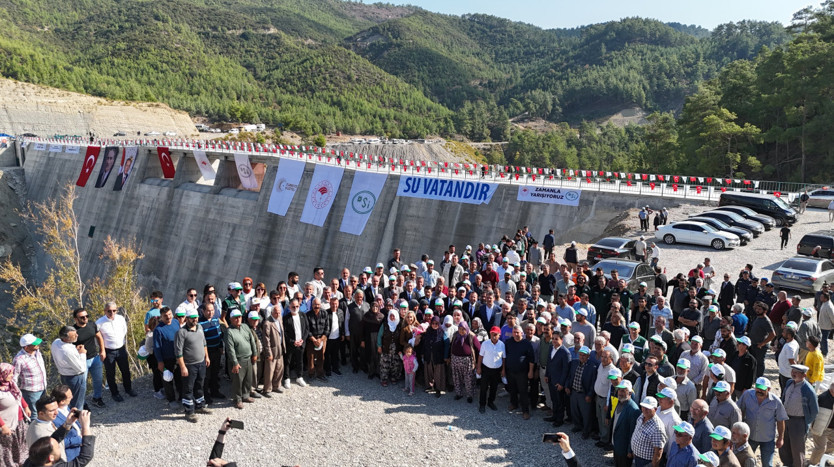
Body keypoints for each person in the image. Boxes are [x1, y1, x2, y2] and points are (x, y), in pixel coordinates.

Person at [737, 377, 786, 467]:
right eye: (758, 388)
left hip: (767, 439)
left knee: (767, 464)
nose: (759, 391)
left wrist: (780, 438)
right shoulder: (747, 395)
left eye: (762, 389)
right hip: (749, 437)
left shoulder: (776, 401)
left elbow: (780, 420)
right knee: (745, 462)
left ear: (769, 389)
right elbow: (740, 410)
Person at [779, 364, 819, 467]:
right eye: (793, 371)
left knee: (797, 449)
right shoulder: (789, 383)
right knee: (784, 446)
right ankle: (786, 464)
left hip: (798, 422)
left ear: (803, 375)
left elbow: (814, 410)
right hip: (785, 419)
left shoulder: (808, 390)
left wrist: (806, 423)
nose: (793, 373)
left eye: (796, 372)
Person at [95, 303, 137, 403]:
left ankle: (128, 389)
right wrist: (102, 350)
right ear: (105, 311)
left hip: (121, 349)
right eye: (109, 311)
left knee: (125, 370)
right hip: (109, 351)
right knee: (110, 373)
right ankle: (115, 393)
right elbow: (97, 339)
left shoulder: (121, 319)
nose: (112, 313)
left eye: (114, 310)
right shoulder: (99, 323)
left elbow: (124, 330)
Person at [175, 308, 211, 422]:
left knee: (200, 385)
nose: (194, 320)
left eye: (196, 317)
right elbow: (178, 352)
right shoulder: (181, 332)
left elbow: (204, 343)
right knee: (188, 388)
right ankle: (189, 411)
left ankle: (200, 406)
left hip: (201, 363)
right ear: (187, 318)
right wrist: (182, 367)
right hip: (189, 365)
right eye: (192, 318)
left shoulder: (200, 328)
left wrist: (207, 357)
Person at [26, 409, 94, 467]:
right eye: (58, 447)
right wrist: (85, 427)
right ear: (51, 458)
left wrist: (68, 423)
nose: (59, 446)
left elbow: (54, 439)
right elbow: (85, 457)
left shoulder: (33, 460)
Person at [224, 310, 258, 409]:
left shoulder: (245, 326)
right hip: (238, 360)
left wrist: (254, 354)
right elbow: (230, 349)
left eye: (239, 316)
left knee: (248, 379)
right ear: (230, 319)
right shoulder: (229, 331)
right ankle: (237, 399)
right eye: (235, 317)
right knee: (237, 381)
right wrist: (235, 363)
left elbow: (252, 341)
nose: (238, 319)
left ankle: (246, 395)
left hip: (248, 358)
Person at [0, 362, 31, 466]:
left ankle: (21, 462)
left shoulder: (11, 384)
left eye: (12, 373)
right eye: (9, 373)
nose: (12, 375)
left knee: (21, 446)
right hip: (7, 426)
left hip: (19, 421)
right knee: (7, 449)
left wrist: (26, 406)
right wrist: (3, 426)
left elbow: (18, 395)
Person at [50, 327, 87, 412]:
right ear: (65, 338)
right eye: (74, 335)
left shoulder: (56, 343)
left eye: (76, 333)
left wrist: (76, 352)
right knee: (77, 402)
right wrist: (82, 353)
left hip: (64, 375)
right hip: (75, 377)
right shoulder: (67, 351)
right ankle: (76, 421)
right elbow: (81, 368)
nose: (77, 335)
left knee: (68, 400)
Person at [152, 307, 182, 407]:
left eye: (169, 314)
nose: (168, 317)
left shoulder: (176, 322)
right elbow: (157, 347)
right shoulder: (158, 330)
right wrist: (160, 362)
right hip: (166, 359)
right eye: (165, 316)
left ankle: (182, 397)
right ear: (161, 317)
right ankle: (171, 400)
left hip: (178, 357)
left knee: (180, 378)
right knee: (167, 380)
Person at [504, 325, 535, 420]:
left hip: (522, 373)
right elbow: (504, 357)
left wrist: (530, 371)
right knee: (512, 389)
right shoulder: (508, 342)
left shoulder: (526, 343)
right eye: (514, 332)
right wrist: (504, 369)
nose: (516, 334)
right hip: (510, 371)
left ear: (522, 333)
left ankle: (525, 410)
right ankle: (514, 404)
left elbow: (531, 359)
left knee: (523, 391)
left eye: (518, 332)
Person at [567, 346, 597, 439]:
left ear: (588, 356)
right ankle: (577, 426)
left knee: (586, 414)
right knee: (574, 410)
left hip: (584, 394)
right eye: (580, 355)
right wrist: (567, 386)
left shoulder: (592, 366)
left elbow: (593, 383)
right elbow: (570, 375)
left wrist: (589, 394)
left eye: (584, 355)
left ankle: (586, 431)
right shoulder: (574, 363)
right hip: (574, 391)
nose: (582, 357)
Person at [198, 302, 224, 404]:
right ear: (203, 311)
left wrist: (221, 346)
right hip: (207, 353)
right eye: (208, 310)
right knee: (206, 376)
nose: (210, 312)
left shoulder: (216, 320)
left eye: (212, 310)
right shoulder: (200, 323)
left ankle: (215, 391)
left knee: (215, 373)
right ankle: (206, 395)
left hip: (216, 351)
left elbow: (219, 334)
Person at [14, 334, 47, 412]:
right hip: (31, 392)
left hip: (43, 387)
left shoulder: (37, 352)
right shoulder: (19, 359)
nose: (37, 345)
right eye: (34, 344)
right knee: (34, 413)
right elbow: (14, 377)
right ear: (26, 347)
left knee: (43, 410)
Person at [611, 380, 641, 467]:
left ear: (630, 393)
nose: (620, 393)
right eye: (619, 390)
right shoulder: (620, 402)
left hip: (624, 450)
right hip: (617, 445)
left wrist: (630, 450)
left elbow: (633, 432)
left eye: (624, 390)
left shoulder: (634, 410)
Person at [544, 330, 572, 426]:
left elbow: (566, 370)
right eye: (553, 339)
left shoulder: (565, 353)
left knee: (560, 402)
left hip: (558, 382)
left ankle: (559, 420)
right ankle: (554, 416)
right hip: (551, 379)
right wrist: (547, 375)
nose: (554, 341)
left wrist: (561, 383)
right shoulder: (551, 347)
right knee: (554, 400)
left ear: (562, 340)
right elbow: (549, 362)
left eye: (556, 339)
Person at [631, 397, 667, 467]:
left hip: (646, 462)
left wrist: (653, 465)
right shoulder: (642, 416)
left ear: (655, 409)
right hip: (637, 457)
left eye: (648, 408)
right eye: (643, 407)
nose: (644, 410)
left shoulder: (657, 427)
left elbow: (658, 451)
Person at [419, 316, 450, 398]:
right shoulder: (428, 332)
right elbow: (424, 343)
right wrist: (422, 353)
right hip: (428, 354)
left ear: (439, 324)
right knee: (428, 371)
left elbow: (447, 344)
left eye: (436, 323)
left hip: (438, 356)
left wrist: (446, 356)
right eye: (433, 323)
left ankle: (438, 389)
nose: (434, 325)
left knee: (438, 373)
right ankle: (429, 386)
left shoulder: (442, 332)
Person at [260, 300, 286, 396]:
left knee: (279, 368)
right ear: (272, 312)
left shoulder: (279, 319)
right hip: (272, 350)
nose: (278, 314)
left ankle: (276, 386)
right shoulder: (268, 323)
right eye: (276, 312)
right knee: (269, 371)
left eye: (279, 312)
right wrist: (268, 353)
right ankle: (267, 389)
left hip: (280, 348)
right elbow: (266, 340)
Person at [282, 299, 309, 389]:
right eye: (293, 306)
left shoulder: (303, 315)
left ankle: (299, 377)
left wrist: (303, 340)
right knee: (288, 362)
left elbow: (306, 329)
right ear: (289, 307)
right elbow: (284, 333)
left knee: (300, 361)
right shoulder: (286, 318)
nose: (295, 308)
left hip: (301, 343)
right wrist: (292, 341)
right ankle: (286, 378)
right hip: (290, 344)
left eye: (297, 306)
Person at [477, 326, 505, 413]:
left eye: (495, 334)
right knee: (483, 387)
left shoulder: (502, 344)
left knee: (494, 387)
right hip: (486, 369)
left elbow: (504, 358)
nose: (493, 336)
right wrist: (479, 367)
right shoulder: (485, 344)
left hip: (496, 370)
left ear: (499, 335)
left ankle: (490, 402)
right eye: (492, 334)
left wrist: (503, 370)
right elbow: (480, 356)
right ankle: (482, 404)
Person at [450, 321, 478, 403]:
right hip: (455, 360)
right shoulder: (456, 335)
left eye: (463, 329)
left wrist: (477, 363)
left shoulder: (471, 336)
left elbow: (478, 348)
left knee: (469, 379)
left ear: (467, 328)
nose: (461, 331)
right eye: (459, 329)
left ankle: (470, 395)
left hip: (467, 361)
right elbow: (451, 345)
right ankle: (459, 393)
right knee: (456, 378)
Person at [51, 386, 82, 462]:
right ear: (62, 401)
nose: (72, 397)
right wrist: (79, 440)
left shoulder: (66, 407)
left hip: (78, 448)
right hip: (70, 454)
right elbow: (59, 441)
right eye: (69, 396)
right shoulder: (54, 418)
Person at [378, 309, 404, 387]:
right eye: (391, 315)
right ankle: (384, 379)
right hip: (386, 348)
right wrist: (379, 346)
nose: (392, 317)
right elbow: (379, 336)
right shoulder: (385, 325)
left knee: (396, 364)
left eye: (394, 316)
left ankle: (394, 377)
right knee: (385, 365)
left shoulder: (399, 325)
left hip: (396, 349)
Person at [305, 298, 330, 383]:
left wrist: (321, 339)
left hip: (322, 339)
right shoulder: (307, 315)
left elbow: (327, 328)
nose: (316, 306)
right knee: (310, 357)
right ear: (312, 305)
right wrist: (314, 339)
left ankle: (320, 374)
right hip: (311, 339)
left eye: (318, 304)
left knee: (321, 357)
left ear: (320, 305)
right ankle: (311, 374)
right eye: (315, 304)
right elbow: (307, 329)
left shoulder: (325, 313)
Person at [811, 382, 834, 466]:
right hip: (821, 428)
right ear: (832, 391)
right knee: (820, 448)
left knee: (832, 444)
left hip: (832, 428)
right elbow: (813, 411)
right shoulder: (822, 398)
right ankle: (812, 463)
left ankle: (824, 458)